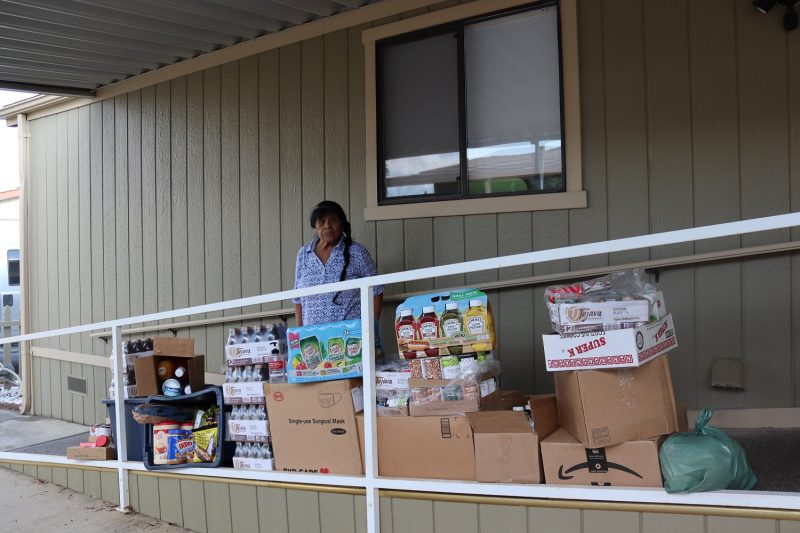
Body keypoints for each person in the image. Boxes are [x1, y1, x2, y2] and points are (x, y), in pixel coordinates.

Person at [293, 201, 383, 327]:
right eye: (321, 221)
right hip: (313, 339)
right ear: (315, 227)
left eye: (333, 220)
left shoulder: (356, 251)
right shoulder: (303, 254)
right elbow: (298, 300)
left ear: (342, 224)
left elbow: (377, 291)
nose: (327, 226)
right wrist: (300, 334)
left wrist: (371, 328)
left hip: (351, 338)